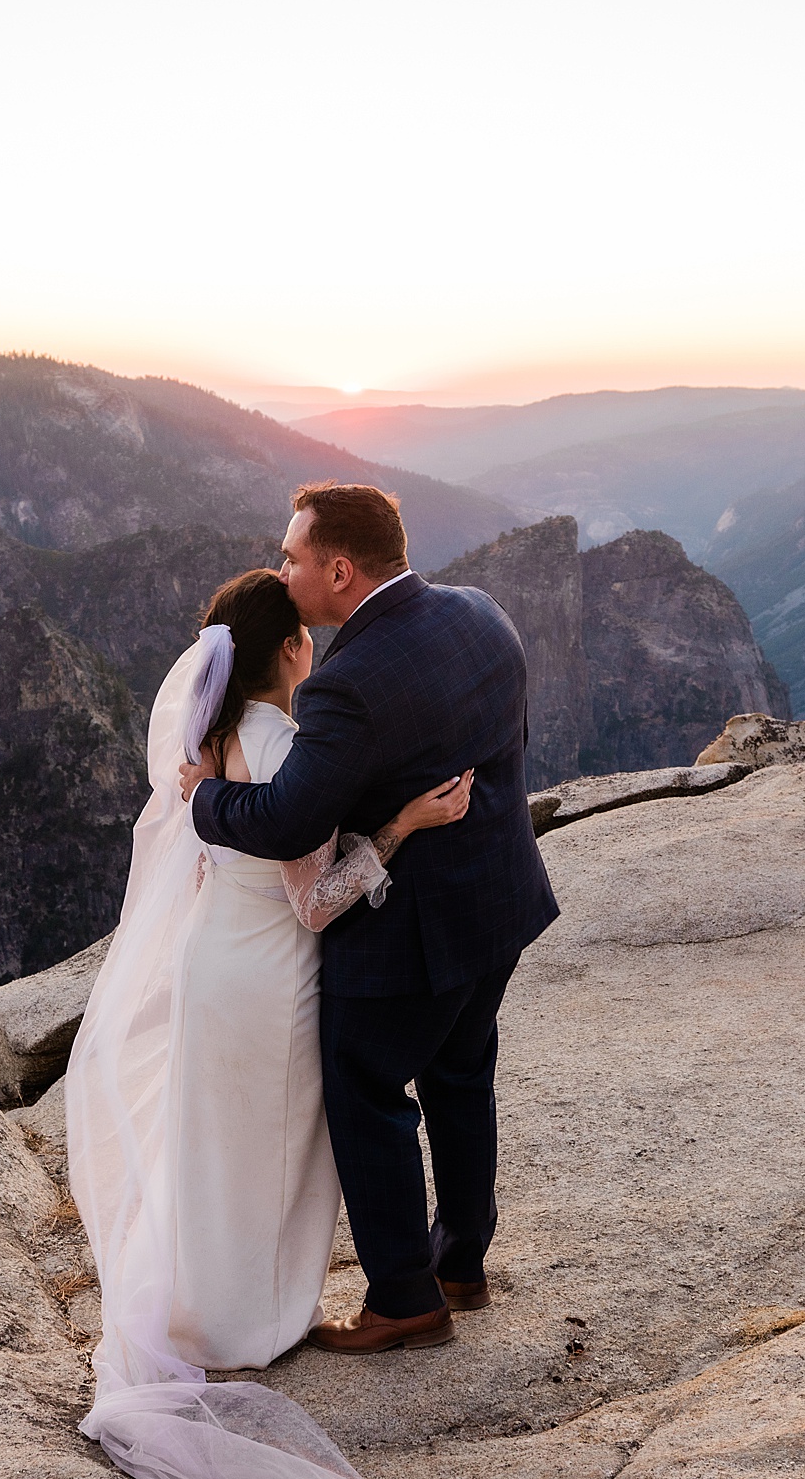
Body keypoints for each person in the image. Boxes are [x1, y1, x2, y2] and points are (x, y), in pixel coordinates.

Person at [64, 565, 475, 1479]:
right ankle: (253, 1319)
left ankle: (202, 1297)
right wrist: (398, 827)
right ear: (291, 649)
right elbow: (317, 898)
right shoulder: (283, 747)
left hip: (215, 965)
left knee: (212, 1139)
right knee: (272, 1149)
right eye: (306, 637)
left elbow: (209, 867)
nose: (315, 648)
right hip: (271, 979)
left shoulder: (209, 746)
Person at [182, 481, 560, 1353]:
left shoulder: (345, 685)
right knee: (463, 1077)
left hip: (411, 934)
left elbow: (285, 821)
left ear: (340, 570)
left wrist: (204, 802)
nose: (284, 568)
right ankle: (461, 1263)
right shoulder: (482, 612)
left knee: (366, 1090)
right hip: (499, 900)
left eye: (293, 556)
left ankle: (404, 1298)